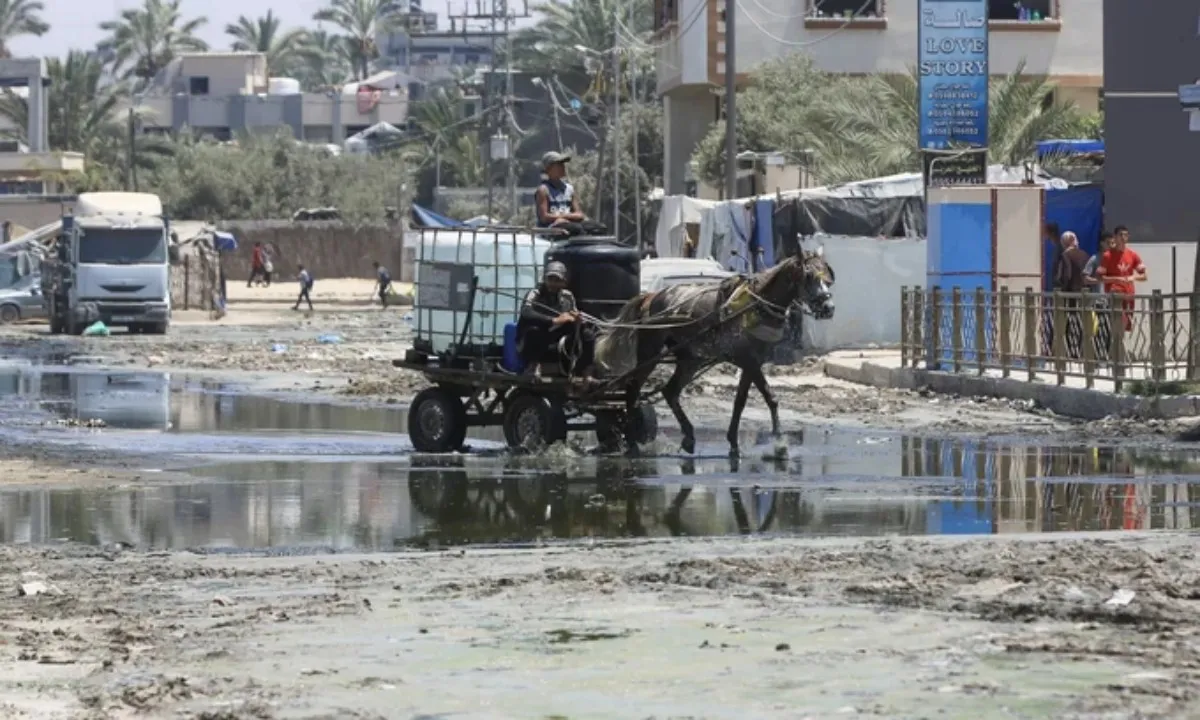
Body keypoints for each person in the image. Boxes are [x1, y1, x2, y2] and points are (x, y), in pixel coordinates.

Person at [517, 261, 595, 377]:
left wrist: (579, 321)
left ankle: (585, 369)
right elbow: (526, 313)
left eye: (557, 280)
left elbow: (573, 314)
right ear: (544, 279)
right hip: (535, 340)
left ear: (563, 282)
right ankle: (533, 365)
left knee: (588, 334)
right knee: (534, 331)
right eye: (550, 279)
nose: (553, 283)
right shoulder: (535, 293)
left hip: (557, 339)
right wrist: (553, 320)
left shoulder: (567, 296)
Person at [534, 151, 604, 236]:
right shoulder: (543, 190)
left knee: (598, 227)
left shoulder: (569, 189)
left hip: (569, 224)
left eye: (563, 164)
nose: (563, 167)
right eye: (559, 164)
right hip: (552, 229)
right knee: (576, 229)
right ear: (548, 168)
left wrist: (562, 217)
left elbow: (579, 214)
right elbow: (544, 217)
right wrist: (565, 218)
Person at [1096, 225, 1147, 334]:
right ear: (1115, 237)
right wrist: (1116, 279)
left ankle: (1117, 349)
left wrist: (1133, 277)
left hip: (1129, 295)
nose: (1124, 237)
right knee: (1118, 325)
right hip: (1115, 295)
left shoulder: (1133, 255)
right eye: (1121, 235)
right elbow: (1100, 277)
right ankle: (1117, 349)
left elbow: (1144, 276)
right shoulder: (1107, 256)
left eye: (1126, 235)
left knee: (1124, 328)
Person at [1054, 231, 1089, 358]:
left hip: (1070, 294)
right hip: (1084, 294)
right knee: (1082, 322)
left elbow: (1066, 275)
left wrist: (1062, 288)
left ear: (1065, 243)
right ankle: (1082, 350)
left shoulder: (1065, 255)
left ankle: (1070, 351)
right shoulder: (1084, 254)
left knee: (1069, 321)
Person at [1084, 231, 1113, 361]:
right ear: (1102, 244)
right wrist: (1099, 281)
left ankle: (1108, 355)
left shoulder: (1116, 259)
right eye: (1108, 243)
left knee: (1112, 330)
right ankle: (1097, 356)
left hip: (1114, 300)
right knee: (1100, 329)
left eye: (1113, 243)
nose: (1111, 245)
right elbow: (1085, 278)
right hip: (1099, 300)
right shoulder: (1095, 259)